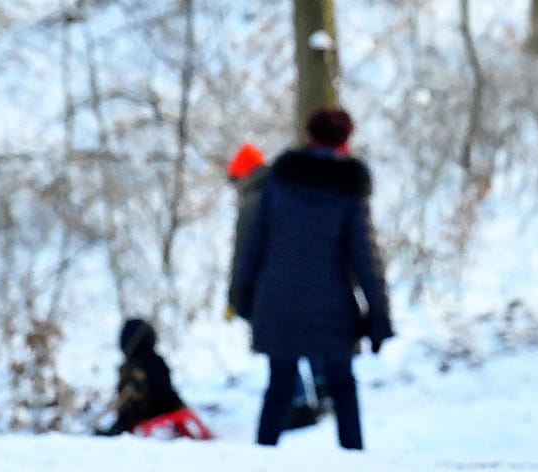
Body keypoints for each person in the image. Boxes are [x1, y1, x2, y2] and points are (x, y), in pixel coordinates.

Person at [230, 108, 392, 450]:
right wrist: (379, 316)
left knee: (279, 387)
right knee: (343, 387)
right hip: (331, 308)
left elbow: (254, 245)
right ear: (346, 139)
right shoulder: (350, 188)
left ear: (309, 133)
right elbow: (366, 259)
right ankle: (354, 461)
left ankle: (261, 462)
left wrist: (242, 299)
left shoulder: (281, 179)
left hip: (277, 302)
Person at [227, 141, 331, 432]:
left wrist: (235, 296)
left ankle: (297, 405)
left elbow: (242, 254)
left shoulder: (252, 202)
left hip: (269, 288)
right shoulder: (291, 190)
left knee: (280, 347)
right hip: (306, 280)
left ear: (244, 175)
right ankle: (324, 390)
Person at [97, 318, 213, 439]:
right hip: (169, 406)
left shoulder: (131, 368)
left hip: (145, 413)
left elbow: (128, 402)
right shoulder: (158, 360)